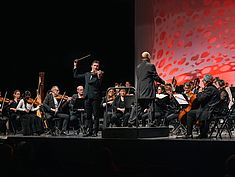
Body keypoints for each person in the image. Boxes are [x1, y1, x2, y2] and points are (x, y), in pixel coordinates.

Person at [73, 59, 104, 137]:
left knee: (96, 115)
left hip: (95, 97)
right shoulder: (87, 74)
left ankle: (95, 132)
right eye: (94, 65)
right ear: (91, 66)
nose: (96, 67)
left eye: (97, 66)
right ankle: (89, 131)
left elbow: (99, 85)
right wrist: (75, 65)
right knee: (88, 116)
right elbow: (76, 76)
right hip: (87, 97)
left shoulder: (99, 74)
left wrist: (99, 76)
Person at [134, 51, 165, 126]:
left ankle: (131, 121)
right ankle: (151, 122)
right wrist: (163, 82)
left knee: (137, 107)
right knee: (151, 105)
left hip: (140, 89)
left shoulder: (138, 66)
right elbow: (155, 77)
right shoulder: (150, 66)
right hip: (148, 90)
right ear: (148, 57)